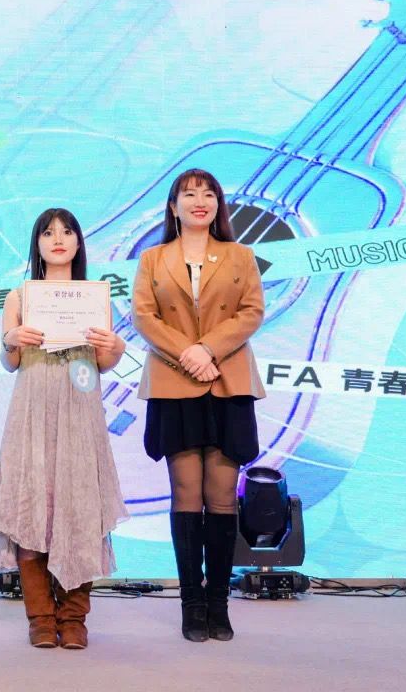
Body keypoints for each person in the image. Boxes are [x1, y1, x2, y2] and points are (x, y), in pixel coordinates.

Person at [131, 168, 265, 643]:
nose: (199, 200)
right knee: (186, 493)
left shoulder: (240, 255)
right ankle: (191, 603)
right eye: (189, 194)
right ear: (173, 206)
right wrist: (187, 353)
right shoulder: (152, 258)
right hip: (174, 381)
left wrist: (208, 349)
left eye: (208, 193)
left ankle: (218, 604)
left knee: (223, 495)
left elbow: (251, 311)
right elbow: (143, 315)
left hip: (228, 379)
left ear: (218, 205)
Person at [0, 208, 129, 650]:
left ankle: (74, 617)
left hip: (80, 410)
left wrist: (116, 347)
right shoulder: (19, 297)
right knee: (32, 508)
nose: (58, 239)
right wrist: (11, 340)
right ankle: (41, 618)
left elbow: (103, 364)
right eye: (48, 233)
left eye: (67, 231)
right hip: (32, 410)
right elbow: (10, 362)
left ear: (79, 242)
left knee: (79, 509)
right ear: (37, 244)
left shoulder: (96, 296)